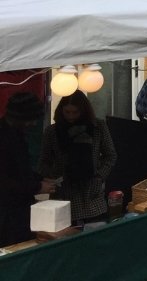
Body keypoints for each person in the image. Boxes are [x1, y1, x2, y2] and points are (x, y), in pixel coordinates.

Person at [39, 90, 117, 224]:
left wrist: (99, 176)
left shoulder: (97, 127)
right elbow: (44, 160)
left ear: (83, 111)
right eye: (67, 112)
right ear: (61, 111)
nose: (71, 117)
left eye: (75, 112)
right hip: (63, 192)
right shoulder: (52, 131)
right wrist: (53, 178)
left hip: (91, 192)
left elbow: (110, 155)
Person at [0, 92, 56, 246]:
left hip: (20, 210)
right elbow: (5, 181)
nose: (33, 124)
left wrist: (39, 179)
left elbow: (20, 169)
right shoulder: (5, 139)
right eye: (31, 119)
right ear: (21, 117)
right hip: (7, 215)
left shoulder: (17, 134)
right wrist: (37, 186)